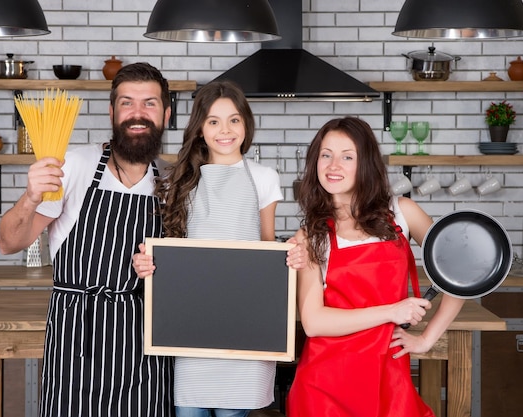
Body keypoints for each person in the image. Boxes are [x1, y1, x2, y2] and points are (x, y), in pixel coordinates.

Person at [0, 62, 175, 417]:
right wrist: (31, 197)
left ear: (166, 114)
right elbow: (9, 242)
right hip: (76, 339)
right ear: (112, 112)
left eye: (149, 103)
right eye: (127, 103)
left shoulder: (170, 182)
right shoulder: (75, 166)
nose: (137, 113)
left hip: (143, 343)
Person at [133, 80, 304, 417]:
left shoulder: (264, 177)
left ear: (246, 124)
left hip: (246, 324)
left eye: (234, 120)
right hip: (191, 324)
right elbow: (170, 250)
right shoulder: (178, 180)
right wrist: (148, 263)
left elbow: (266, 246)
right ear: (199, 128)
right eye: (213, 121)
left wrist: (290, 256)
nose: (225, 130)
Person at [286, 116, 465, 417]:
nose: (333, 165)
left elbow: (461, 271)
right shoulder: (311, 235)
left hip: (389, 379)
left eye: (347, 157)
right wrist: (392, 312)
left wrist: (426, 339)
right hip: (323, 387)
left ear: (366, 163)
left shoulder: (403, 214)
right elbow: (314, 322)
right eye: (326, 155)